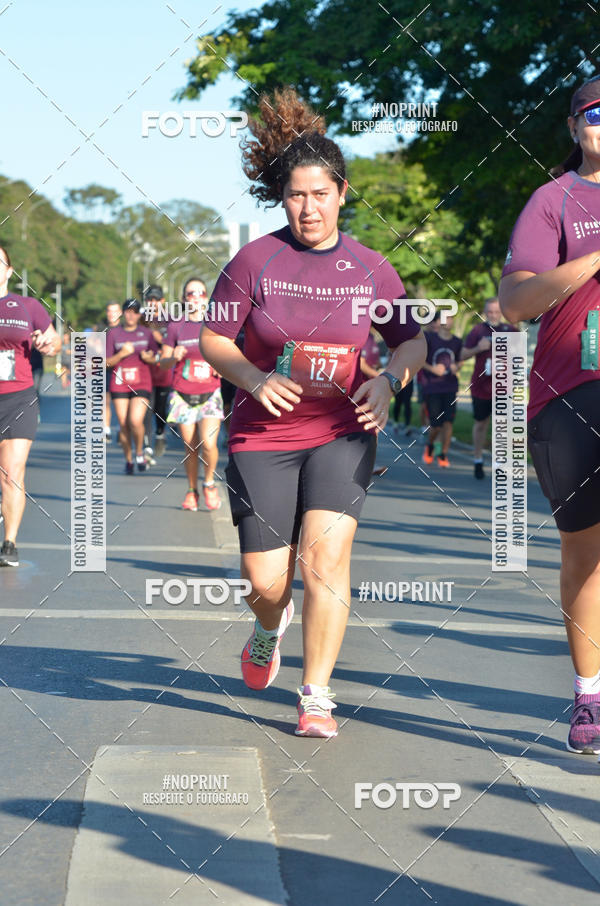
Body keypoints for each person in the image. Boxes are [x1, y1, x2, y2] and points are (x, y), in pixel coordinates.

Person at [199, 87, 426, 738]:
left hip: (341, 434)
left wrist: (390, 381)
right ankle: (268, 628)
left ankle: (317, 694)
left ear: (342, 193)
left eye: (320, 194)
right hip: (263, 435)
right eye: (296, 195)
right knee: (264, 579)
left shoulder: (370, 268)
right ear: (283, 197)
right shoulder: (255, 261)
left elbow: (410, 340)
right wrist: (253, 377)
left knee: (325, 562)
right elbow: (214, 339)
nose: (309, 207)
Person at [499, 75, 600, 755]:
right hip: (571, 393)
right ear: (573, 126)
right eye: (595, 112)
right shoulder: (553, 200)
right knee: (585, 553)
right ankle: (589, 694)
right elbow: (516, 303)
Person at [0, 244, 60, 565]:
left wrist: (48, 343)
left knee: (11, 474)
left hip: (18, 399)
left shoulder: (27, 306)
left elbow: (54, 341)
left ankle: (9, 543)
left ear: (9, 271)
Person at [161, 277, 223, 510]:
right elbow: (163, 363)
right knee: (191, 447)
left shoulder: (215, 324)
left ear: (206, 297)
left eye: (200, 293)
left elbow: (228, 355)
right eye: (191, 293)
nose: (196, 297)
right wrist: (172, 357)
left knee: (209, 443)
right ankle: (191, 490)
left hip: (210, 392)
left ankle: (209, 483)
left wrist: (221, 365)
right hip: (182, 394)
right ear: (184, 299)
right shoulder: (176, 326)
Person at [460, 298, 518, 479]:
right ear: (485, 312)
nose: (493, 315)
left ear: (502, 312)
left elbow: (520, 354)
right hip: (481, 386)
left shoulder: (511, 330)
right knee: (481, 424)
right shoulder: (478, 330)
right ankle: (478, 460)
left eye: (497, 312)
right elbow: (462, 354)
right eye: (490, 312)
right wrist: (478, 348)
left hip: (503, 386)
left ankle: (499, 463)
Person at [106, 298, 158, 474]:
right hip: (120, 382)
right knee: (123, 423)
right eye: (128, 312)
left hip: (141, 382)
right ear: (123, 313)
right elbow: (106, 362)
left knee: (135, 420)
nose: (131, 315)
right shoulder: (113, 334)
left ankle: (139, 452)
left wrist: (149, 357)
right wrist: (121, 354)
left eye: (135, 312)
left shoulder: (146, 333)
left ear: (139, 315)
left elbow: (156, 357)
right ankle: (128, 459)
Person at [421, 312, 462, 467]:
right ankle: (430, 445)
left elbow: (460, 359)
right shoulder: (430, 338)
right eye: (446, 318)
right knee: (436, 425)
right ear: (438, 321)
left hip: (450, 386)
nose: (449, 321)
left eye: (451, 318)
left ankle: (443, 454)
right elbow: (419, 359)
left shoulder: (457, 341)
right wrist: (433, 369)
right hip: (432, 387)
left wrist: (457, 366)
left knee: (448, 423)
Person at [143, 285, 172, 459]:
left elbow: (174, 342)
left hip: (163, 371)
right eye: (149, 299)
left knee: (160, 408)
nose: (152, 303)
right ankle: (147, 444)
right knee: (146, 408)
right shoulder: (141, 319)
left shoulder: (170, 319)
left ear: (162, 301)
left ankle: (160, 434)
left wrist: (158, 337)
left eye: (156, 299)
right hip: (144, 372)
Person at [104, 300, 122, 443]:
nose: (112, 314)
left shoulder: (125, 328)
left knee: (121, 402)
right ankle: (106, 430)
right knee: (105, 400)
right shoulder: (101, 329)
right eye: (110, 311)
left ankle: (122, 428)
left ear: (120, 313)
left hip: (123, 370)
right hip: (106, 370)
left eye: (115, 311)